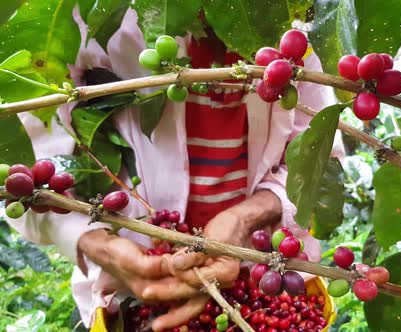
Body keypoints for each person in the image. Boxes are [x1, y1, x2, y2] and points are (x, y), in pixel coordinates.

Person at [6, 6, 344, 332]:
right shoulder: (80, 22)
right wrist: (99, 245)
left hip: (263, 280)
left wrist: (244, 219)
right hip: (133, 294)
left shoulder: (291, 28)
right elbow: (29, 184)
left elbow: (319, 168)